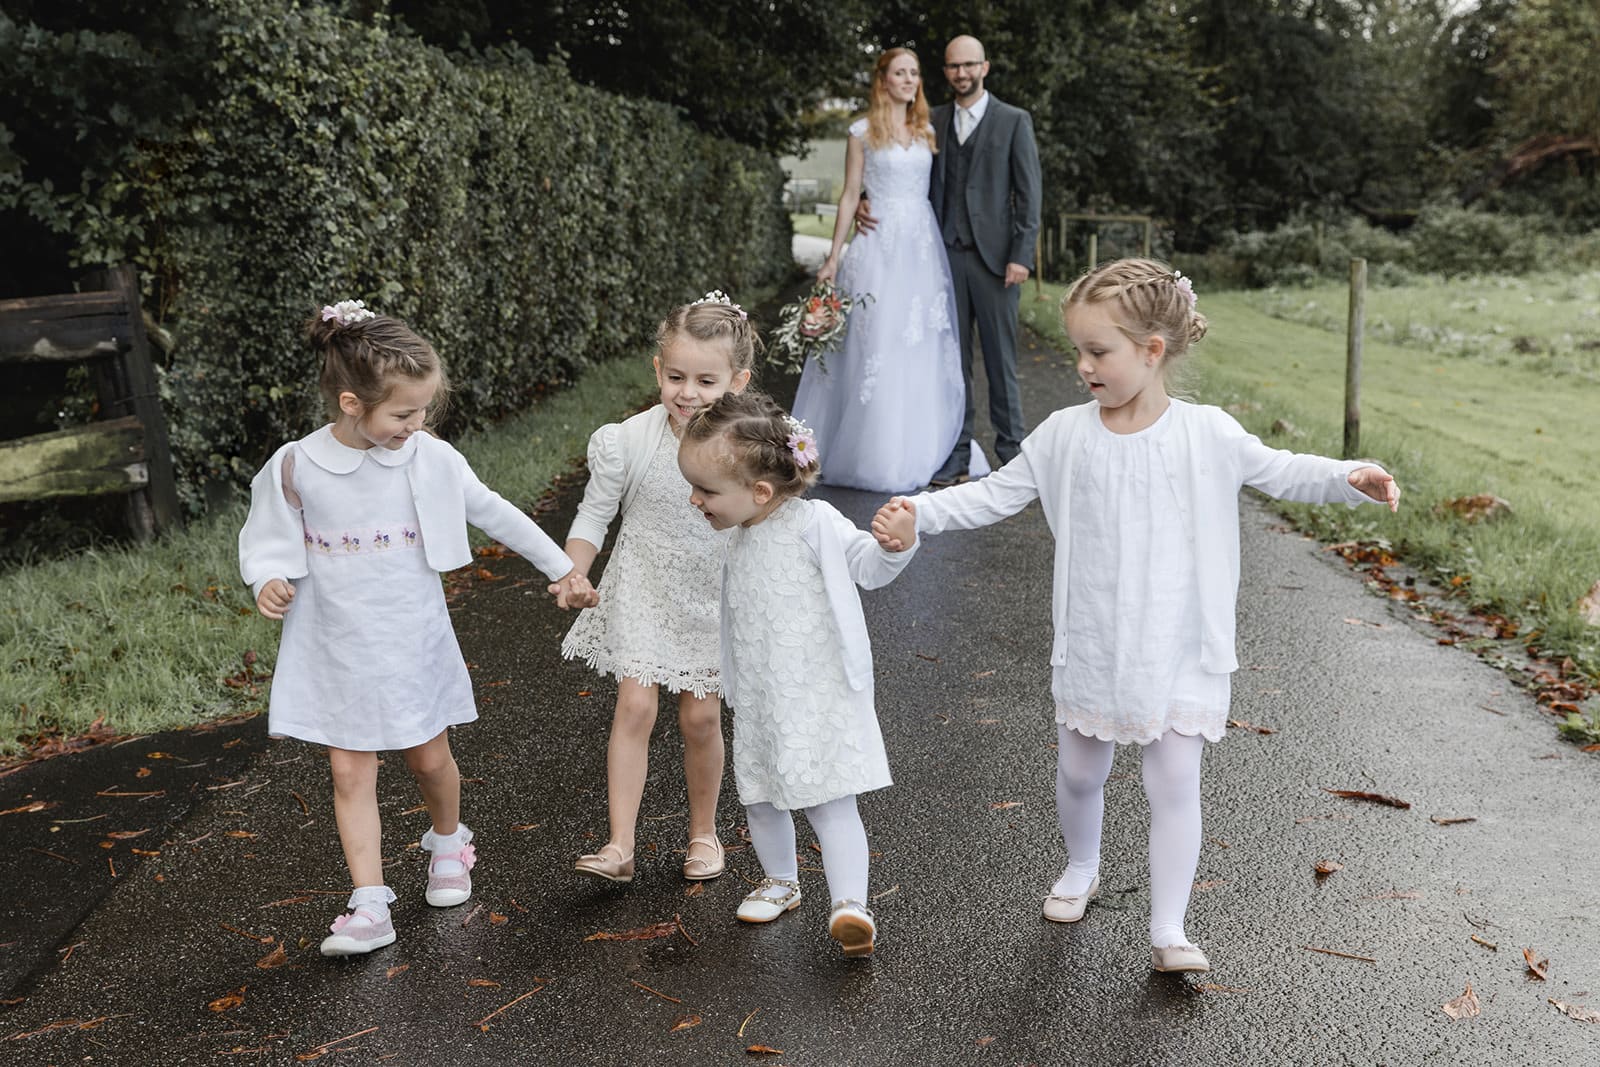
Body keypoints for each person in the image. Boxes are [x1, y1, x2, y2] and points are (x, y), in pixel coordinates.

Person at [872, 260, 1400, 972]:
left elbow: (1281, 468)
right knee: (1082, 771)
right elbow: (994, 494)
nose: (1083, 365)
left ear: (1152, 351)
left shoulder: (1206, 433)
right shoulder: (1064, 434)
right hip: (1096, 637)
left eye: (1099, 351)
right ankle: (1081, 863)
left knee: (1174, 779)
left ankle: (1169, 927)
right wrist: (920, 512)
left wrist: (1349, 477)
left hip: (1180, 640)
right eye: (1078, 351)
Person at [239, 299, 589, 957]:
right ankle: (370, 902)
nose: (417, 423)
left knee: (430, 758)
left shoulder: (428, 457)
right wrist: (268, 577)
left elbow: (494, 511)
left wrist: (562, 567)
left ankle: (450, 840)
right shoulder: (297, 465)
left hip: (409, 634)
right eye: (402, 413)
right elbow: (265, 534)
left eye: (423, 409)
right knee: (349, 772)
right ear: (350, 402)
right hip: (336, 640)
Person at [677, 391, 919, 957]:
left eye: (706, 490)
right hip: (762, 696)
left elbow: (866, 564)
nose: (694, 500)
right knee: (760, 795)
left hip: (818, 694)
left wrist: (896, 546)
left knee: (829, 799)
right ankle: (781, 881)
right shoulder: (738, 538)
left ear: (760, 492)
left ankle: (850, 904)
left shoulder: (814, 523)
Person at [558, 292, 756, 885]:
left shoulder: (747, 441)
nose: (687, 393)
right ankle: (620, 844)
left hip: (710, 595)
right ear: (657, 370)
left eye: (705, 380)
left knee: (700, 719)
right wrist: (574, 569)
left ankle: (703, 833)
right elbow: (594, 516)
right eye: (675, 377)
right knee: (636, 705)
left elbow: (769, 517)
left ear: (737, 381)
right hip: (644, 583)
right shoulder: (629, 440)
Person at [856, 34, 1041, 486]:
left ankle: (1012, 455)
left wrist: (1022, 256)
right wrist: (865, 197)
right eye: (954, 66)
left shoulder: (1014, 121)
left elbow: (1029, 194)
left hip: (997, 262)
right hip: (940, 258)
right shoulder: (930, 120)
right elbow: (894, 165)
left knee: (1000, 360)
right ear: (946, 72)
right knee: (948, 362)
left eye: (969, 65)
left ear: (985, 67)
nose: (962, 73)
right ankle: (956, 454)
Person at [792, 47, 973, 494]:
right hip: (876, 245)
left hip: (920, 245)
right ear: (884, 80)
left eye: (915, 72)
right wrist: (833, 255)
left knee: (917, 341)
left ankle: (916, 446)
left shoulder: (927, 128)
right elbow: (851, 193)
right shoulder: (862, 131)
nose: (910, 79)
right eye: (900, 72)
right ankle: (867, 449)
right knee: (874, 340)